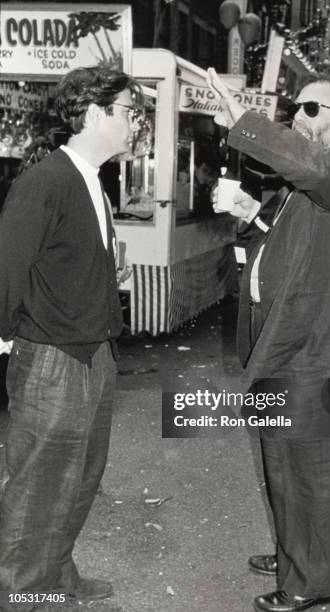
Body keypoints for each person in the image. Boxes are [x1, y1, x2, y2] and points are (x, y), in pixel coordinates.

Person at [207, 68, 330, 612]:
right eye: (295, 108)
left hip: (324, 352)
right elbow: (296, 247)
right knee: (282, 465)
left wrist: (246, 120)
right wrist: (253, 215)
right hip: (289, 345)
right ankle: (293, 553)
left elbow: (313, 171)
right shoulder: (308, 183)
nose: (297, 117)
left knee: (315, 478)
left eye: (310, 109)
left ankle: (309, 583)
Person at [0, 66, 143, 611]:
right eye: (130, 111)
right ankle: (18, 589)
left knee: (80, 479)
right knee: (37, 484)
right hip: (53, 359)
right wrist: (6, 338)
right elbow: (8, 267)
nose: (136, 123)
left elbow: (58, 260)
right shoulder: (46, 181)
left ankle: (56, 571)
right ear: (95, 114)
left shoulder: (91, 179)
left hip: (94, 352)